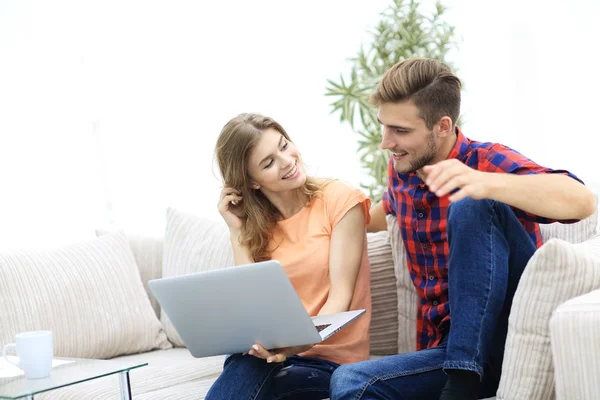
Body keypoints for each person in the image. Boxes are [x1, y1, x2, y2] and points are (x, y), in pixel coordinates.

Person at [329, 58, 597, 400]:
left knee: (472, 202)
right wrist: (314, 208)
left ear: (442, 126)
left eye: (400, 131)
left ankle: (463, 382)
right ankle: (460, 374)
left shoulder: (485, 161)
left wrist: (482, 183)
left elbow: (582, 200)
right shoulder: (404, 170)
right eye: (384, 126)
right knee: (350, 382)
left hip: (504, 339)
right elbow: (381, 215)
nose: (385, 142)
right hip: (444, 348)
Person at [205, 113, 372, 400]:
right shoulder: (257, 228)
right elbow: (253, 311)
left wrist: (291, 347)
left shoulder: (340, 200)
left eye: (283, 146)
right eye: (268, 163)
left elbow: (340, 301)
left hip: (329, 362)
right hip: (268, 359)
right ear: (253, 183)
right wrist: (237, 232)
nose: (287, 161)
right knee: (246, 361)